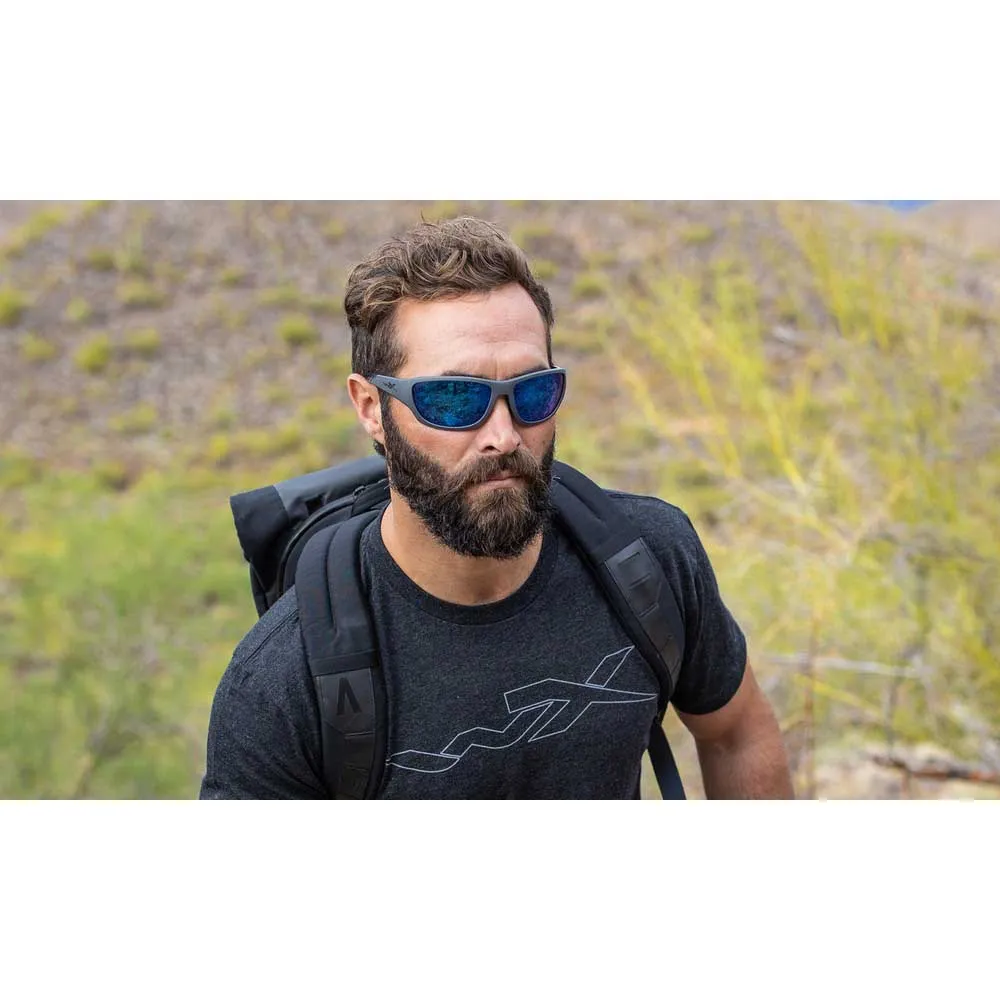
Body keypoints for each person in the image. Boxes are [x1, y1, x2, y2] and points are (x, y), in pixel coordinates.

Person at [200, 216, 793, 800]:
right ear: (371, 408)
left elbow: (735, 732)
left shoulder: (648, 558)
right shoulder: (283, 682)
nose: (504, 436)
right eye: (453, 400)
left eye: (533, 392)